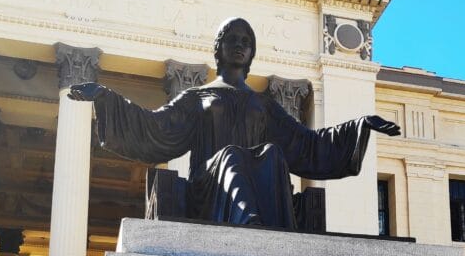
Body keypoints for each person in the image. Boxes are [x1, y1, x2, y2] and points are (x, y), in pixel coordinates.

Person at [69, 17, 400, 229]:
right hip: (208, 190)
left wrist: (359, 126)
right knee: (231, 154)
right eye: (233, 39)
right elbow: (154, 127)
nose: (240, 45)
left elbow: (305, 144)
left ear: (252, 53)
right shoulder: (196, 98)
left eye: (246, 42)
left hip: (260, 185)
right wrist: (105, 97)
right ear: (219, 49)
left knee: (271, 152)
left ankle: (262, 225)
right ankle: (248, 221)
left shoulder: (264, 106)